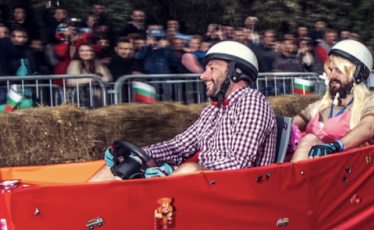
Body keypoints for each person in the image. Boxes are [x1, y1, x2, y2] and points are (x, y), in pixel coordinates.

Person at [89, 41, 277, 181]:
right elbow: (179, 146)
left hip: (240, 187)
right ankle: (80, 209)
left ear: (235, 72)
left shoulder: (251, 101)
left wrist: (175, 170)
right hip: (210, 186)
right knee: (117, 166)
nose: (203, 75)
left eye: (211, 68)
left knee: (189, 170)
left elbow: (238, 163)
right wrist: (138, 155)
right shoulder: (213, 111)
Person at [291, 39, 374, 159]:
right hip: (317, 166)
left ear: (356, 73)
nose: (332, 75)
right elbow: (291, 125)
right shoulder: (321, 105)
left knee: (309, 140)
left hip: (351, 166)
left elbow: (368, 128)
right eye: (331, 70)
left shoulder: (373, 103)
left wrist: (335, 146)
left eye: (339, 70)